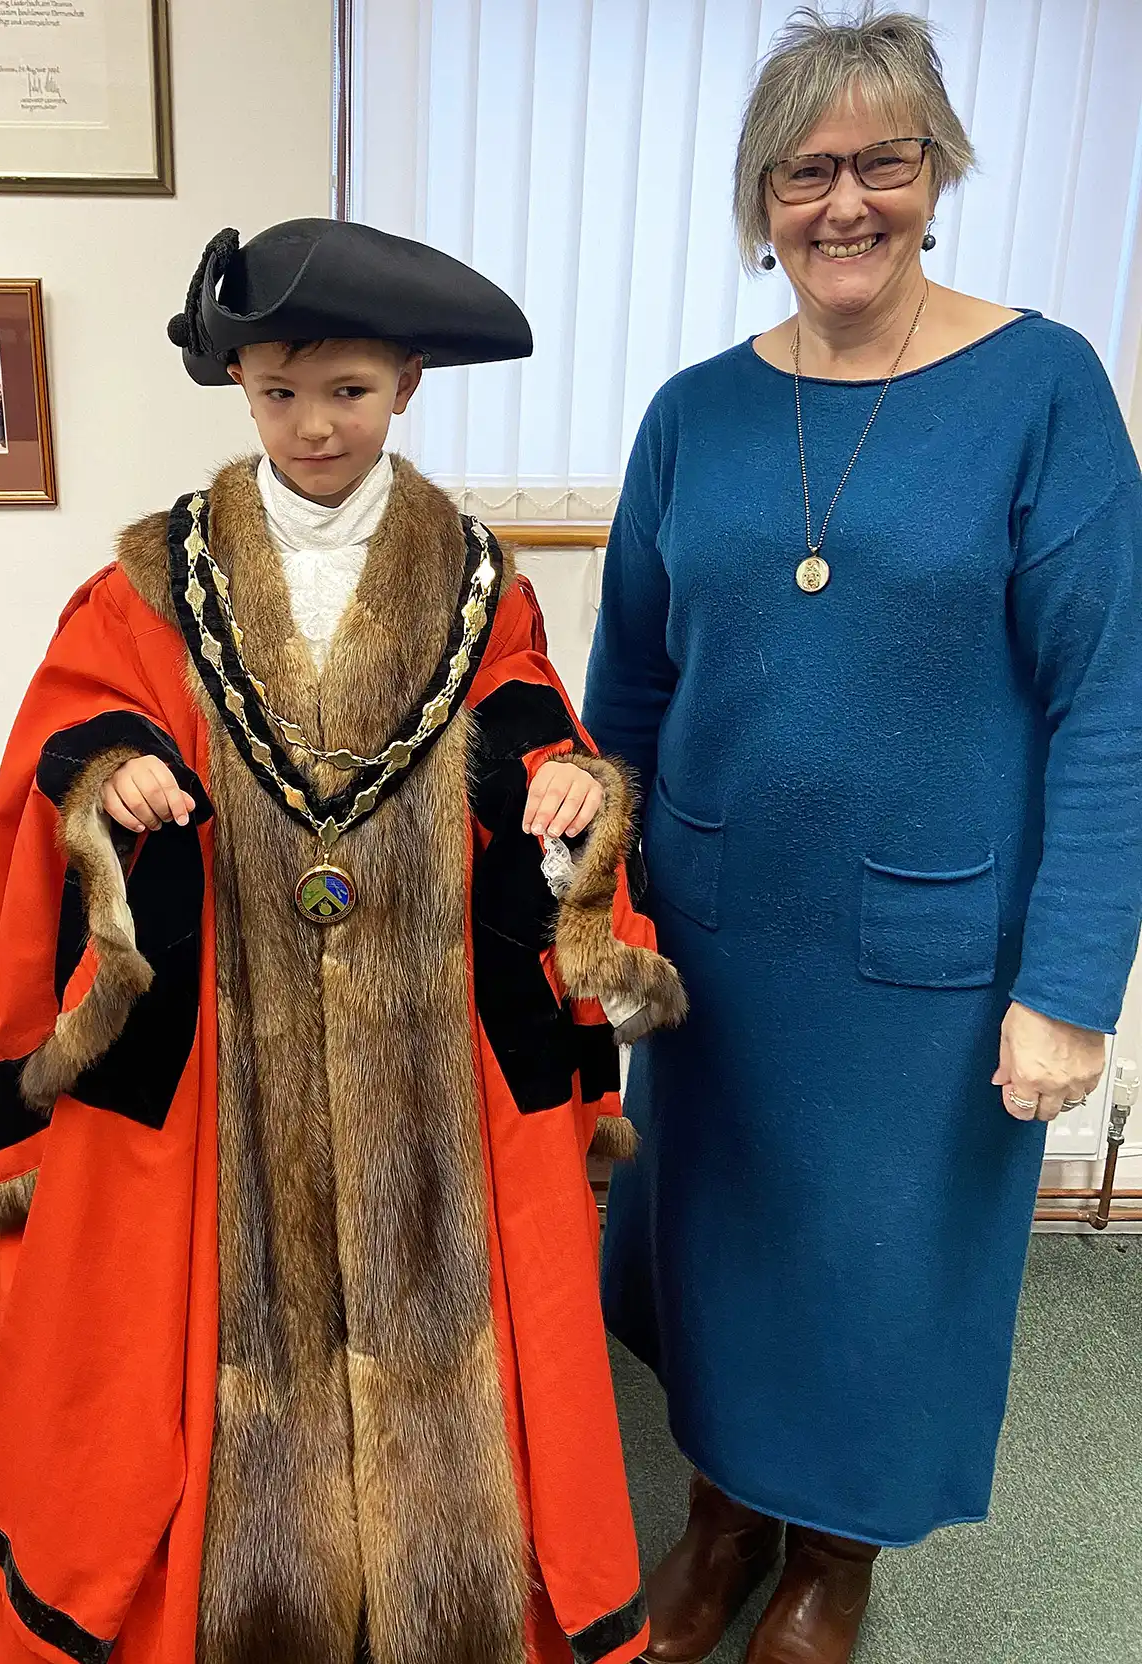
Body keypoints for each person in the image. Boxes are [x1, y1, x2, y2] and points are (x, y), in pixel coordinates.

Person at [0, 218, 686, 1664]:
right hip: (230, 1036)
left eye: (347, 388)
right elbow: (69, 723)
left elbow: (531, 713)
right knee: (213, 1336)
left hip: (427, 1040)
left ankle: (438, 1604)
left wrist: (561, 778)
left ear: (408, 383)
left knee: (449, 1329)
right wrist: (113, 777)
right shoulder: (153, 582)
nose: (313, 423)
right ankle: (247, 1603)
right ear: (239, 385)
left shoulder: (482, 585)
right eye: (279, 389)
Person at [582, 10, 1142, 1664]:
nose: (846, 201)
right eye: (806, 168)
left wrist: (1069, 981)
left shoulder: (1042, 387)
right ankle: (723, 1513)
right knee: (718, 1246)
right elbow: (627, 688)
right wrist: (595, 915)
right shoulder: (693, 413)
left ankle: (834, 1552)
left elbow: (1109, 704)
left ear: (937, 175)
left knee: (881, 1271)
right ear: (761, 198)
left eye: (883, 160)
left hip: (929, 955)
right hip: (712, 943)